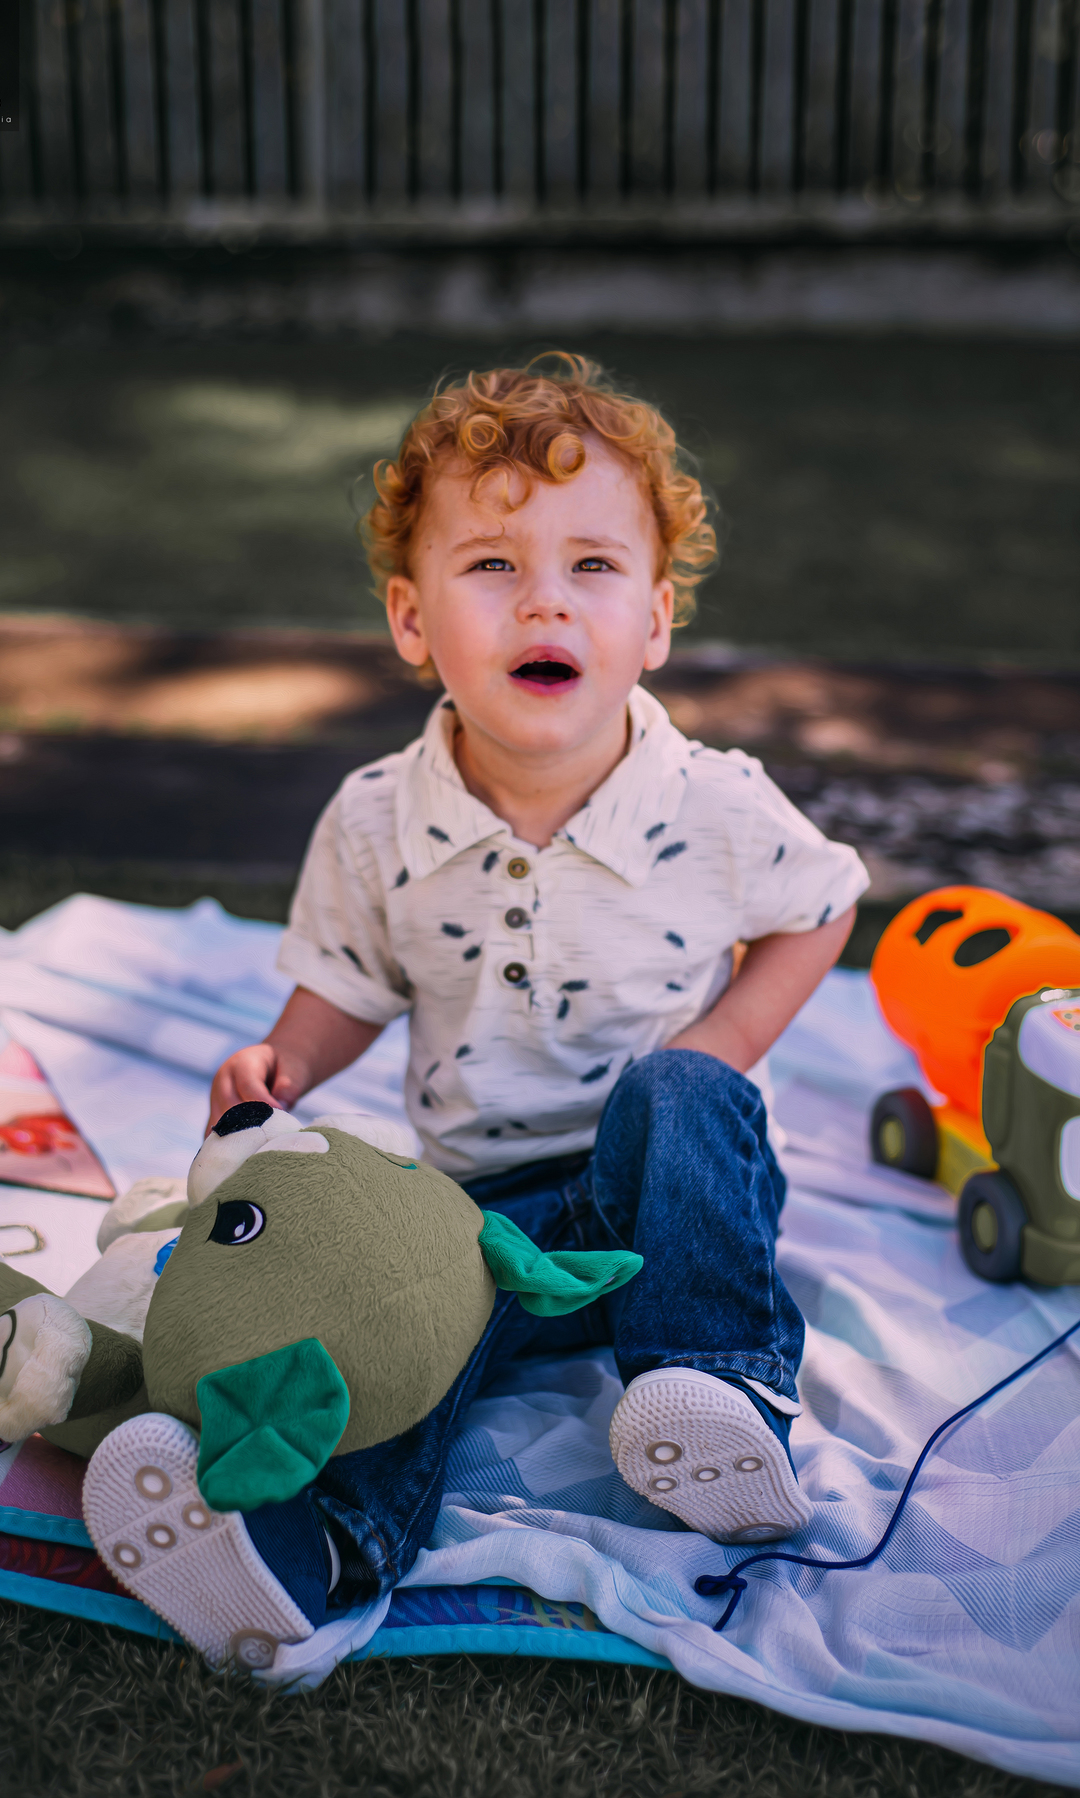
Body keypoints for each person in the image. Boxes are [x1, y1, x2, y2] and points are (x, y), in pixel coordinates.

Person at [87, 356, 868, 1665]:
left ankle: (718, 1391)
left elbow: (823, 903)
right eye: (494, 566)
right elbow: (342, 983)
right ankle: (313, 1550)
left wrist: (726, 1040)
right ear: (411, 619)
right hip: (478, 1213)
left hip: (663, 1188)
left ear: (657, 623)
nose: (545, 598)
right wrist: (283, 1060)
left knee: (683, 1090)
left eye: (593, 568)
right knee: (399, 1317)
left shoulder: (714, 804)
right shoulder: (380, 818)